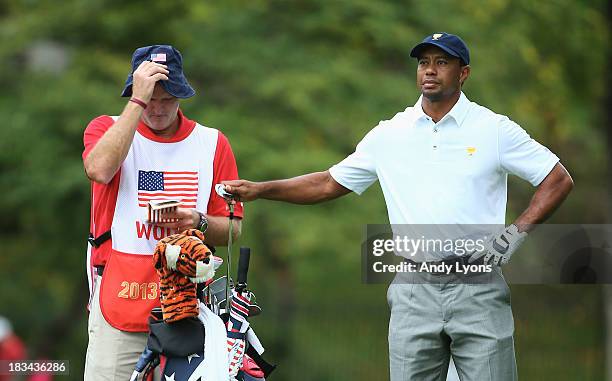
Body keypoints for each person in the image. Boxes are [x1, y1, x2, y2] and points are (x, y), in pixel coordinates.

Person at [221, 32, 574, 380]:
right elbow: (329, 183)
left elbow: (557, 179)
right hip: (413, 287)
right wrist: (261, 189)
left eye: (442, 63)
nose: (430, 71)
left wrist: (514, 235)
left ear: (463, 73)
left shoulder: (494, 129)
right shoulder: (390, 133)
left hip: (477, 285)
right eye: (424, 63)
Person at [82, 45, 243, 380]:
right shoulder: (105, 128)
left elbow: (232, 229)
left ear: (181, 96)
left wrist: (196, 221)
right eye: (149, 99)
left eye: (166, 99)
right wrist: (135, 102)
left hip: (189, 309)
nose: (156, 109)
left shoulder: (213, 143)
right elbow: (99, 169)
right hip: (118, 300)